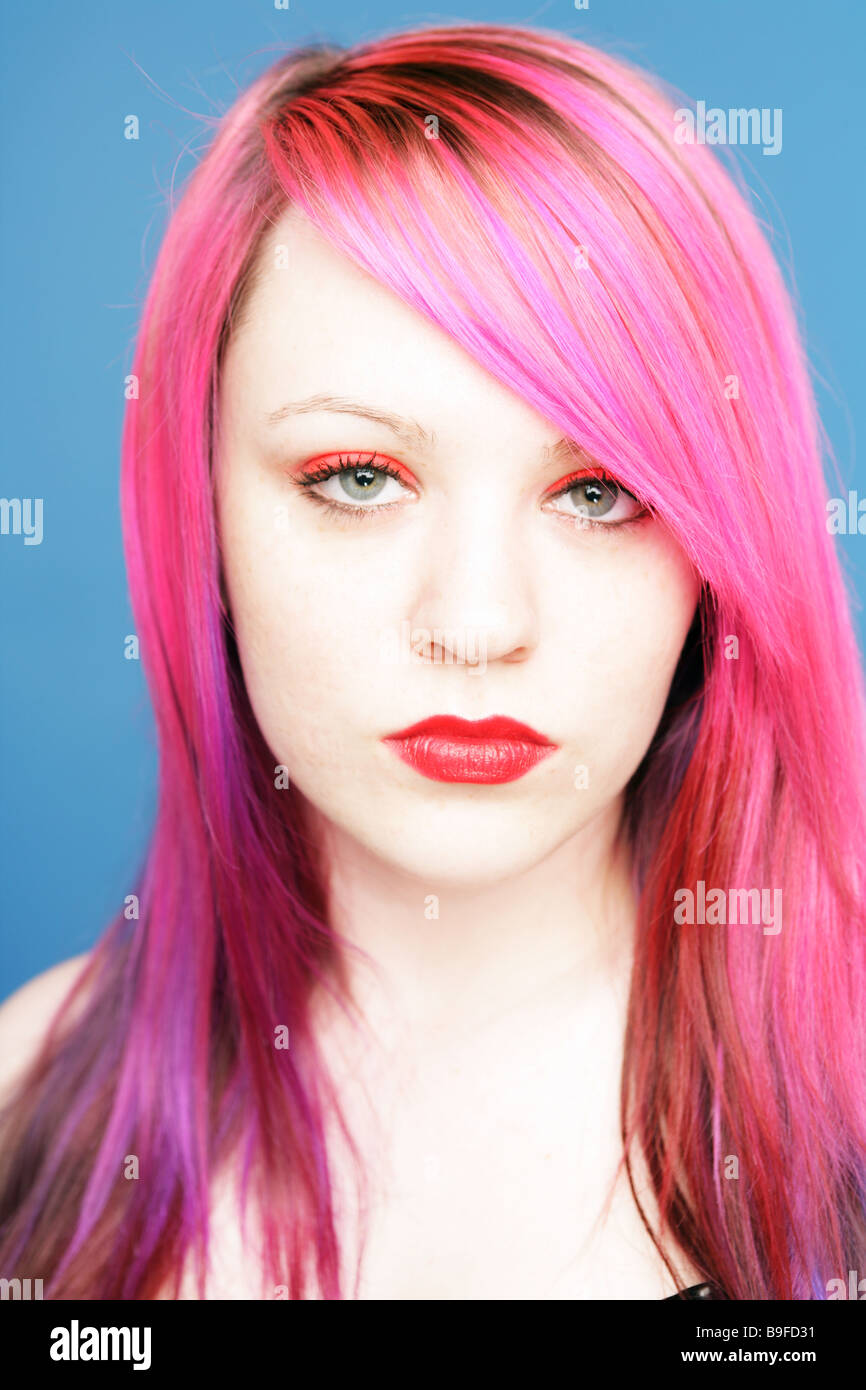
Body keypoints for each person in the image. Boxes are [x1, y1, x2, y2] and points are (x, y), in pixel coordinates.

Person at [1, 21, 864, 1301]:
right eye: (357, 476)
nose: (476, 622)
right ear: (202, 508)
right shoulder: (23, 1102)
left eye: (598, 490)